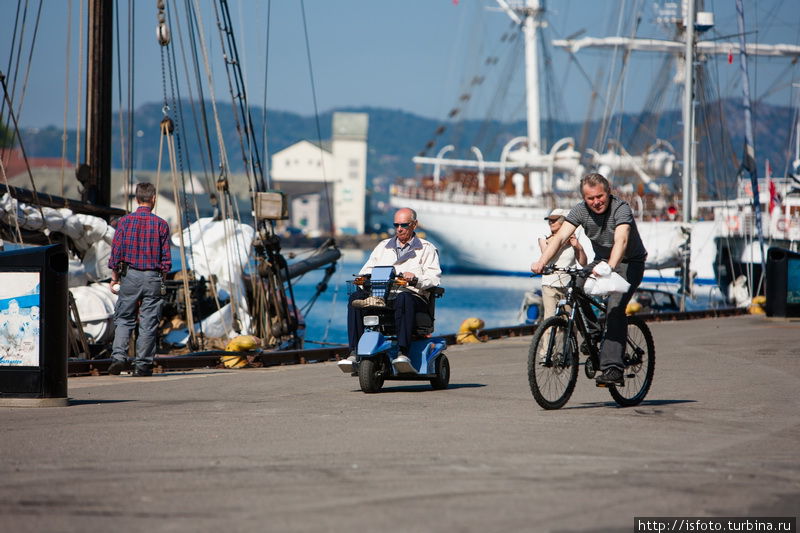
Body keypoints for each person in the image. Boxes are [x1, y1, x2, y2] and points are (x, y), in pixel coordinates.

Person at [531, 173, 647, 386]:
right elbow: (559, 238)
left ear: (608, 191)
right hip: (602, 260)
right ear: (584, 198)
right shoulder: (580, 210)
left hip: (629, 263)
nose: (596, 202)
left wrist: (609, 268)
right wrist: (541, 262)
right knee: (574, 286)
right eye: (590, 198)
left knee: (614, 307)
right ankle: (593, 336)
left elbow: (621, 241)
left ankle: (613, 368)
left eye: (600, 196)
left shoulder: (620, 209)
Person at [338, 207, 441, 371]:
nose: (399, 229)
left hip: (413, 298)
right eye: (396, 225)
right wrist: (363, 279)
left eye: (404, 225)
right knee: (355, 298)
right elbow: (366, 270)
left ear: (414, 224)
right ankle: (354, 352)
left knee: (403, 297)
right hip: (382, 297)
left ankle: (403, 352)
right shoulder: (383, 246)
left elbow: (434, 279)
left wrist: (414, 279)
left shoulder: (427, 248)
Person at [107, 182, 171, 377]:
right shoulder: (161, 224)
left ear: (136, 199)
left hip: (130, 276)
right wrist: (161, 279)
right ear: (153, 199)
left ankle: (118, 357)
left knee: (124, 318)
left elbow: (116, 255)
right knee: (148, 322)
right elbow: (166, 260)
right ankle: (142, 365)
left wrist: (114, 278)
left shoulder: (124, 222)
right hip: (153, 277)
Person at [538, 208, 587, 319]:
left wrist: (578, 247)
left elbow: (584, 263)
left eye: (554, 220)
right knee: (549, 319)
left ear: (564, 222)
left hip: (568, 284)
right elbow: (546, 253)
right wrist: (562, 241)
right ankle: (548, 336)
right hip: (549, 284)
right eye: (549, 220)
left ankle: (570, 336)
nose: (550, 222)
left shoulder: (574, 239)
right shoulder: (544, 238)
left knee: (570, 320)